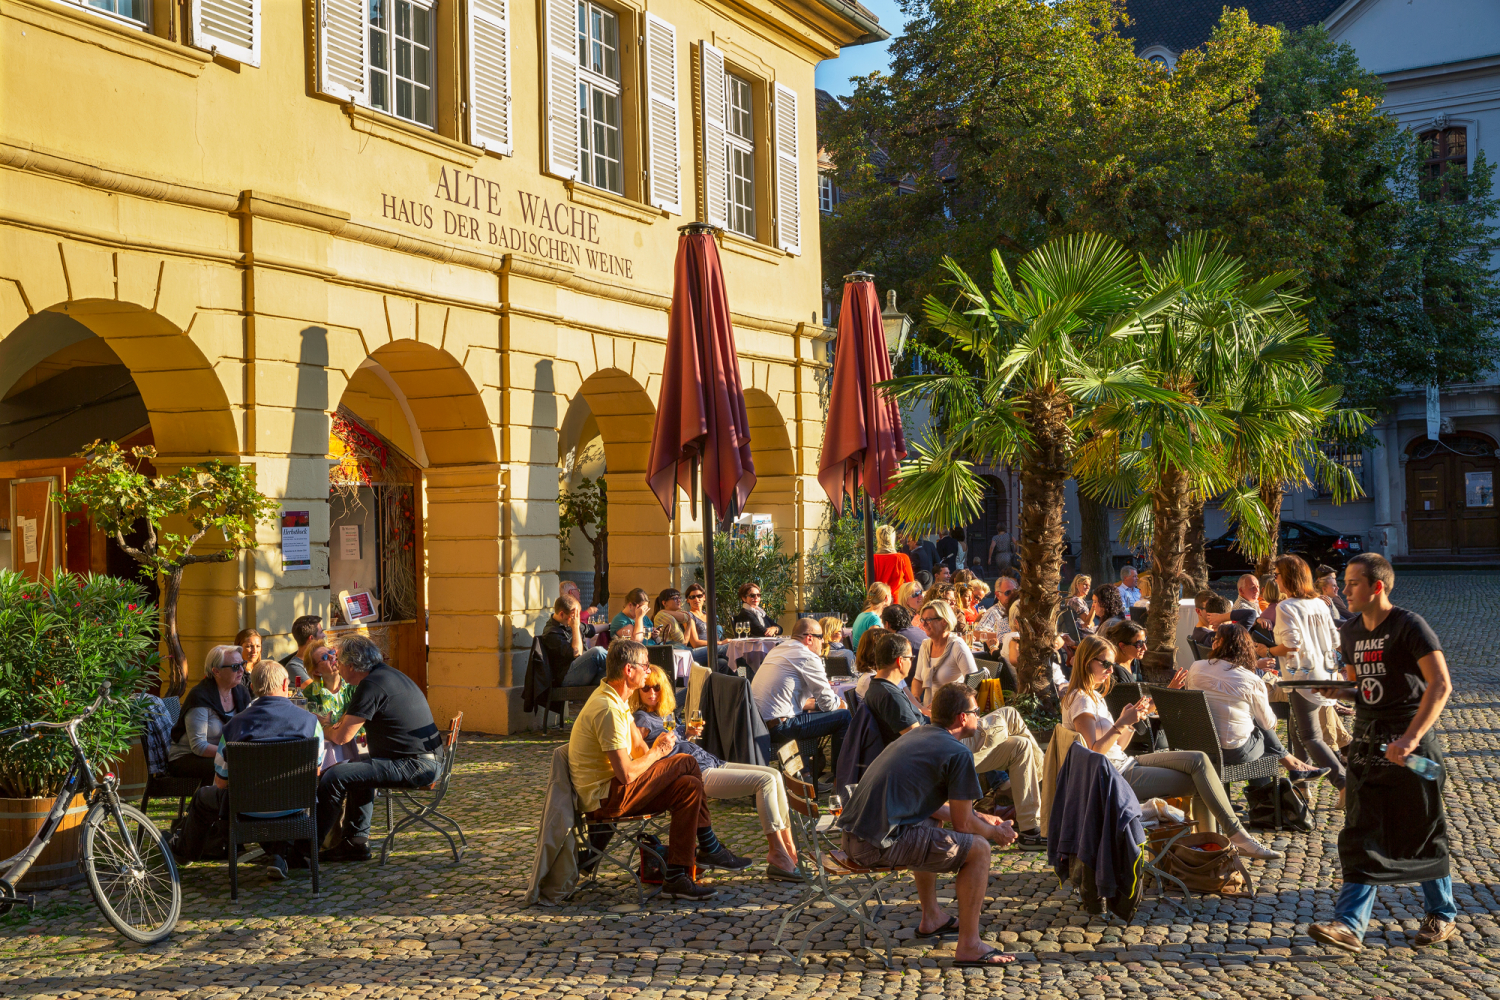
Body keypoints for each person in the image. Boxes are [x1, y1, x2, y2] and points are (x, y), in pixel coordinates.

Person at [1309, 553, 1457, 952]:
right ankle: (1349, 925)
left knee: (1421, 826)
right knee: (1361, 830)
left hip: (1411, 744)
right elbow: (1361, 689)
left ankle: (1442, 913)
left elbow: (1440, 685)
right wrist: (1335, 690)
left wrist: (1409, 738)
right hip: (1366, 742)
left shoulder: (1410, 626)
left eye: (1352, 583)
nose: (1344, 590)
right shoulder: (1351, 630)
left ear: (1377, 586)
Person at [837, 682, 1018, 967]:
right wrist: (994, 832)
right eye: (976, 711)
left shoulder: (920, 734)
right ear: (962, 718)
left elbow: (935, 806)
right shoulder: (958, 753)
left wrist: (982, 818)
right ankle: (970, 945)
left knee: (931, 819)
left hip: (853, 837)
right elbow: (962, 823)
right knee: (980, 850)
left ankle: (932, 917)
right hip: (874, 845)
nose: (979, 717)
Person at [1063, 635, 1281, 860]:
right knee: (1201, 782)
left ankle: (1227, 841)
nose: (1110, 670)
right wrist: (1121, 723)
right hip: (1113, 775)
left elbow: (1118, 746)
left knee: (1198, 759)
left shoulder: (1094, 696)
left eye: (1112, 664)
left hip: (1124, 762)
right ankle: (1222, 847)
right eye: (1105, 663)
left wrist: (1132, 721)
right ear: (1086, 661)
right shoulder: (1081, 701)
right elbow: (1092, 755)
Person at [569, 639, 743, 899]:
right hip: (604, 797)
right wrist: (660, 753)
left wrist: (662, 751)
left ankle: (676, 875)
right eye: (645, 666)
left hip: (615, 790)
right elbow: (626, 773)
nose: (649, 671)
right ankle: (709, 845)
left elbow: (639, 750)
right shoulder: (608, 709)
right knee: (686, 762)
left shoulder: (618, 701)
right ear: (629, 670)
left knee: (690, 786)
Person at [630, 664, 801, 881]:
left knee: (773, 774)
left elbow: (674, 743)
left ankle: (788, 848)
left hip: (710, 761)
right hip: (699, 772)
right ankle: (777, 852)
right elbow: (641, 754)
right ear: (638, 690)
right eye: (646, 688)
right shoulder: (641, 719)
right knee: (765, 781)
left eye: (656, 687)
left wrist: (687, 734)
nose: (652, 693)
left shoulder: (662, 714)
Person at [170, 662, 322, 879]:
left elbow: (221, 783)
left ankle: (184, 852)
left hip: (246, 808)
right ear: (285, 684)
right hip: (294, 805)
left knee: (204, 795)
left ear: (253, 687)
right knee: (277, 793)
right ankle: (280, 854)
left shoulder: (234, 725)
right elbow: (315, 772)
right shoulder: (310, 722)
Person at [316, 635, 444, 862]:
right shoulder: (387, 674)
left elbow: (343, 737)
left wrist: (323, 727)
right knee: (355, 770)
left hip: (415, 765)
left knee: (334, 776)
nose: (337, 668)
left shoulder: (371, 685)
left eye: (339, 663)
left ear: (352, 666)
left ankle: (307, 848)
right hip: (425, 760)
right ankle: (354, 843)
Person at [1179, 623, 1328, 784]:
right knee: (1260, 733)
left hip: (1197, 744)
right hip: (1231, 751)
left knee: (1254, 728)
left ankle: (1291, 768)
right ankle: (1282, 779)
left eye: (1215, 640)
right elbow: (1268, 723)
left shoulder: (1195, 667)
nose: (1212, 643)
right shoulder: (1250, 680)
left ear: (1218, 644)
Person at [1265, 554, 1348, 798]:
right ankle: (1301, 784)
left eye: (1277, 575)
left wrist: (1266, 650)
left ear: (1287, 577)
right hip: (1325, 674)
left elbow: (1291, 645)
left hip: (1303, 678)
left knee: (1311, 737)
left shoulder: (1286, 606)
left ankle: (1344, 784)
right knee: (1297, 730)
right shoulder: (1320, 604)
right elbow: (1335, 640)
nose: (1275, 580)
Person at [750, 618, 850, 769]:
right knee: (844, 717)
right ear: (810, 638)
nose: (823, 641)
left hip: (759, 725)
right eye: (821, 637)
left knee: (811, 711)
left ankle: (805, 774)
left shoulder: (778, 649)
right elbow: (828, 704)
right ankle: (840, 779)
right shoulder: (807, 656)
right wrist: (841, 704)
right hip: (780, 728)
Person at [168, 645, 251, 781]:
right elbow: (199, 747)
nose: (242, 670)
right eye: (235, 667)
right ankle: (214, 801)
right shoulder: (200, 697)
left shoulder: (240, 692)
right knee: (237, 767)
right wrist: (234, 753)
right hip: (187, 758)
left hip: (225, 754)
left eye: (243, 664)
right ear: (216, 671)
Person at [911, 600, 979, 707]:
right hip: (929, 709)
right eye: (922, 619)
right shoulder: (925, 646)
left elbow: (974, 683)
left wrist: (944, 703)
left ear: (944, 621)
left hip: (952, 709)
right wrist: (915, 696)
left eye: (928, 620)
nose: (923, 624)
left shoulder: (957, 645)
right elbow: (918, 679)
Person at [542, 595, 608, 687]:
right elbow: (577, 653)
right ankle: (627, 665)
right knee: (597, 652)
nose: (577, 618)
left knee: (614, 675)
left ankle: (628, 669)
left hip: (586, 671)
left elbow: (590, 629)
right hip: (567, 677)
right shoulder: (552, 633)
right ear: (561, 614)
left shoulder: (569, 622)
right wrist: (575, 627)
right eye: (574, 615)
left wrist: (610, 626)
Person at [301, 640, 356, 726]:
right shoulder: (310, 694)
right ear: (316, 671)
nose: (331, 656)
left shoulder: (353, 683)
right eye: (325, 657)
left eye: (332, 652)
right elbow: (315, 727)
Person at [870, 525, 915, 593]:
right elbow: (910, 585)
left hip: (878, 600)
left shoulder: (871, 559)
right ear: (893, 539)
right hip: (897, 600)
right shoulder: (903, 558)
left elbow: (869, 585)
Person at [280, 615, 322, 687]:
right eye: (321, 632)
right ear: (311, 638)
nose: (324, 635)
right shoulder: (294, 666)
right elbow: (316, 690)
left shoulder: (319, 660)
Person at [851, 582, 891, 648]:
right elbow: (877, 645)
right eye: (890, 595)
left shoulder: (861, 615)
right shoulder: (874, 619)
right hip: (866, 657)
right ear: (886, 598)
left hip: (858, 656)